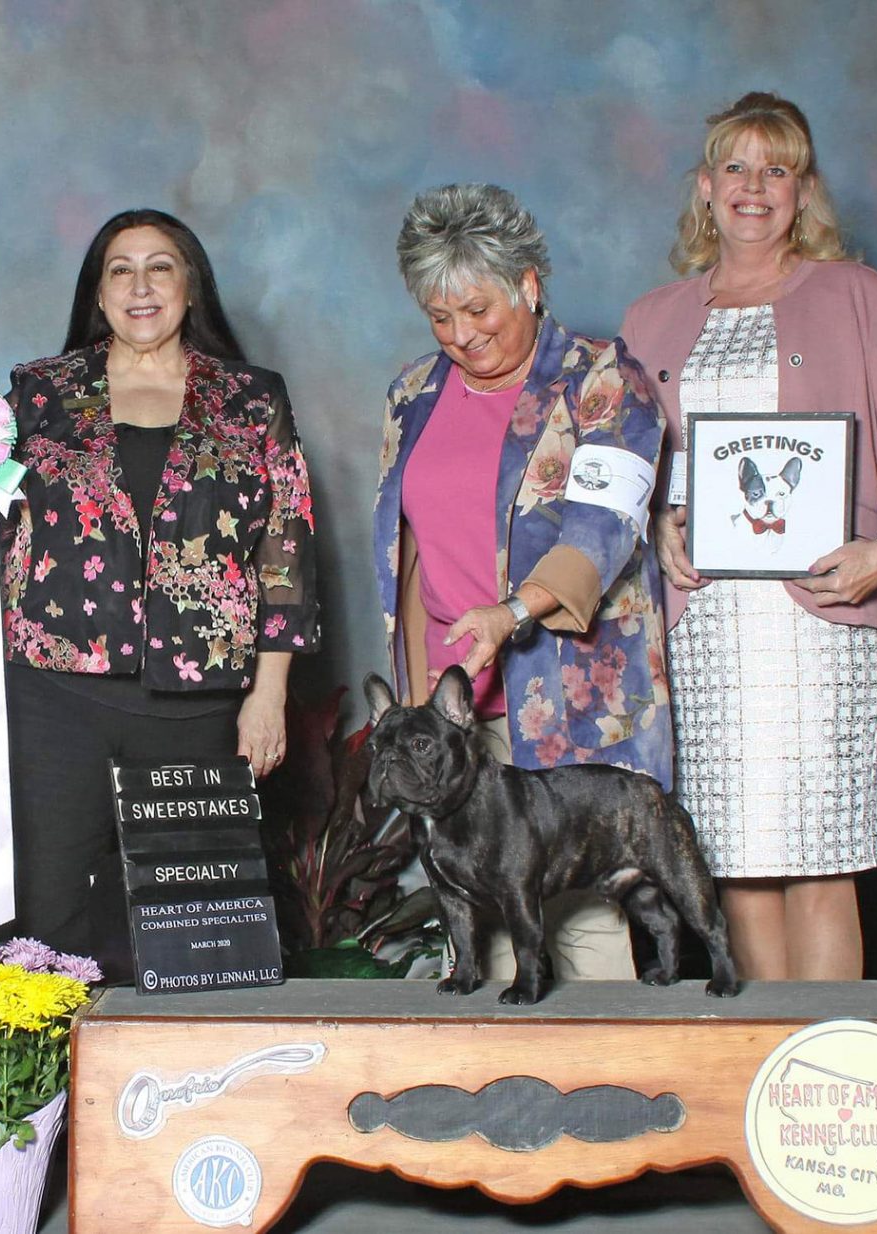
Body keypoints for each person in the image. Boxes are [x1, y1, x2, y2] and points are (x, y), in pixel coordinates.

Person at [0, 209, 319, 976]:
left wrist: (269, 693)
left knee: (199, 937)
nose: (140, 285)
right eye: (121, 269)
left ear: (192, 287)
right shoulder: (39, 394)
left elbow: (286, 550)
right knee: (42, 920)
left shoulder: (252, 399)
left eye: (160, 266)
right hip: (53, 698)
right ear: (98, 292)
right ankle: (46, 1059)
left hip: (199, 702)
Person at [620, 93, 877, 981]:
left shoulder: (859, 296)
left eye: (776, 169)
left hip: (821, 617)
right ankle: (764, 1055)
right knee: (733, 862)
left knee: (818, 859)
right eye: (734, 167)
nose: (753, 186)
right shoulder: (650, 318)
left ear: (803, 192)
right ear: (704, 186)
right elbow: (625, 467)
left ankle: (828, 1058)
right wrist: (655, 527)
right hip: (704, 625)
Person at [374, 183, 673, 982]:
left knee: (584, 927)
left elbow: (604, 525)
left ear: (528, 284)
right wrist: (419, 697)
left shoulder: (599, 379)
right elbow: (410, 553)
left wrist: (511, 612)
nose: (461, 334)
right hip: (453, 714)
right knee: (476, 935)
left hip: (565, 694)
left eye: (478, 309)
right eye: (440, 317)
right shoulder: (412, 394)